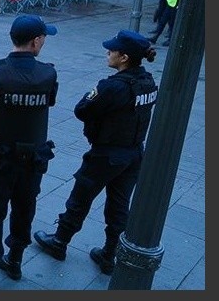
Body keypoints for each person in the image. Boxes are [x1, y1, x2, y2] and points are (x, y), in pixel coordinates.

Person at [34, 30, 158, 276]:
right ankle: (110, 255)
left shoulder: (112, 87)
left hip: (106, 154)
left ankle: (59, 241)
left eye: (112, 50)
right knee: (119, 205)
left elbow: (82, 109)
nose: (108, 52)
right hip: (133, 154)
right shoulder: (148, 82)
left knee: (80, 198)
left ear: (124, 57)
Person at [0, 14, 59, 290]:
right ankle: (15, 261)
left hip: (0, 158)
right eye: (44, 38)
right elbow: (49, 102)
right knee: (24, 208)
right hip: (33, 159)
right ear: (36, 41)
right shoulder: (48, 73)